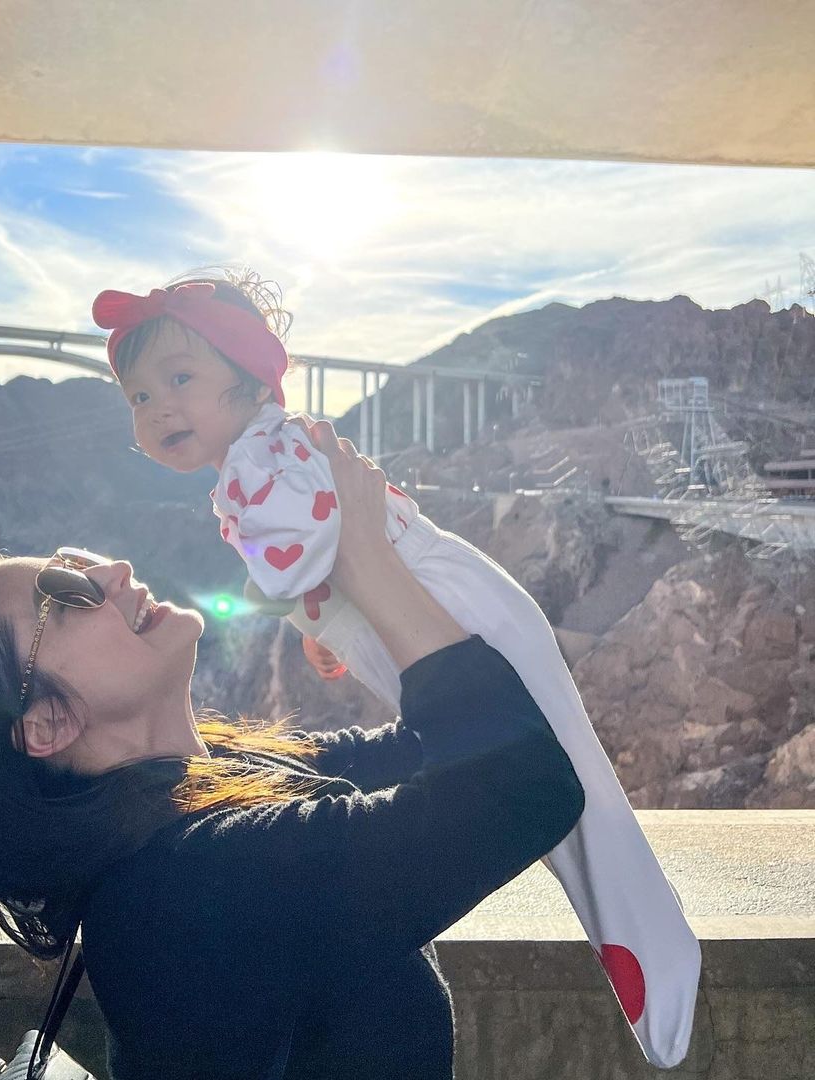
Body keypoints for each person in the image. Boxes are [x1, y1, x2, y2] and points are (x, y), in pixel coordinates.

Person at [91, 271, 702, 1069]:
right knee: (573, 802)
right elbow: (326, 553)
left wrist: (304, 600)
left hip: (444, 604)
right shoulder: (255, 458)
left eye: (180, 379)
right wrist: (323, 622)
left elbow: (313, 544)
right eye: (139, 396)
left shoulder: (264, 455)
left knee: (572, 788)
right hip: (405, 610)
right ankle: (644, 958)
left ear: (250, 379)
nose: (158, 408)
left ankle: (657, 967)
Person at [0, 421, 584, 1080]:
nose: (113, 570)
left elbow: (439, 745)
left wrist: (348, 602)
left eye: (76, 561)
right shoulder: (191, 889)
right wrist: (368, 564)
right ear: (46, 724)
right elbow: (523, 785)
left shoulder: (214, 774)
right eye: (66, 594)